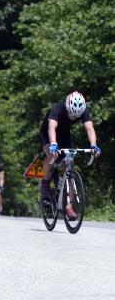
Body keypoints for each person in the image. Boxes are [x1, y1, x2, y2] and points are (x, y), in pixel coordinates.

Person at [39, 91, 101, 219]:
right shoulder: (57, 109)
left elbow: (90, 128)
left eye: (76, 116)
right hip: (47, 134)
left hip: (65, 136)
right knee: (51, 156)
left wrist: (94, 145)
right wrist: (54, 144)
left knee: (70, 167)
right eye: (71, 114)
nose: (73, 117)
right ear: (67, 106)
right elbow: (51, 128)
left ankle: (68, 207)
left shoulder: (83, 110)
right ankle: (45, 185)